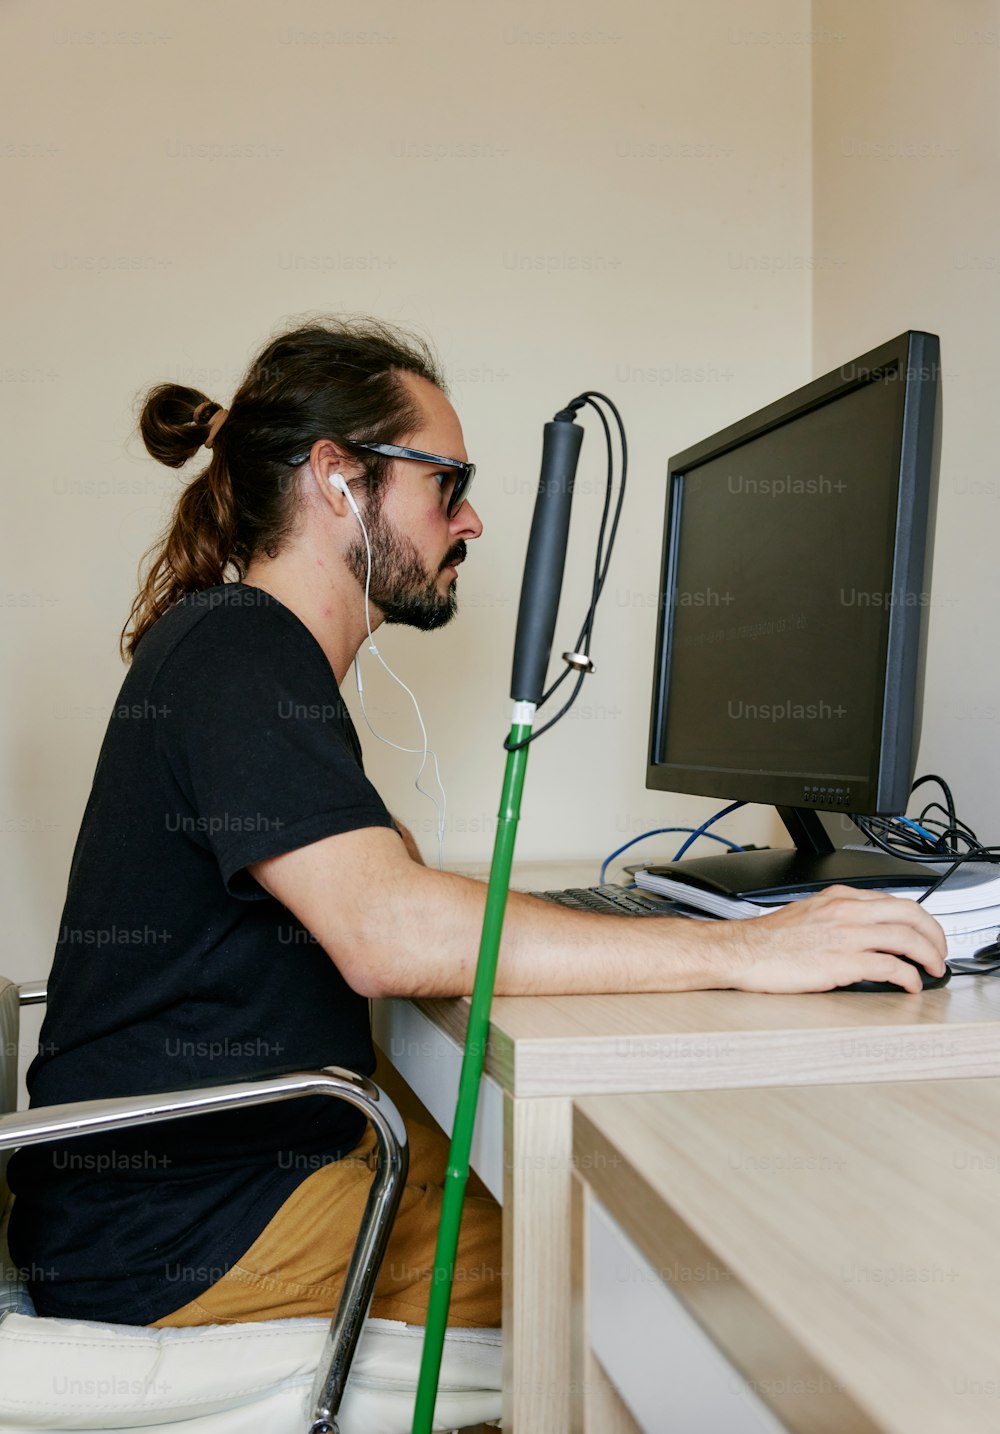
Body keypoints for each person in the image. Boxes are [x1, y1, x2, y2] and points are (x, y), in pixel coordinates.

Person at [7, 316, 947, 1333]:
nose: (472, 520)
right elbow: (387, 934)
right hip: (186, 1227)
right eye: (445, 482)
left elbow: (382, 879)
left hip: (209, 1180)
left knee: (598, 1184)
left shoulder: (238, 648)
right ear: (339, 478)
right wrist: (741, 946)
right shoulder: (239, 652)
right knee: (672, 1267)